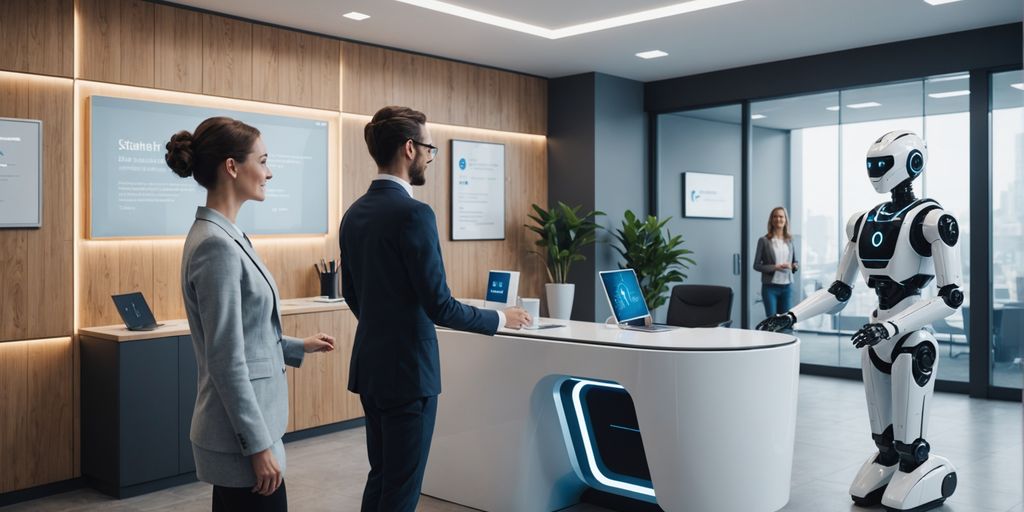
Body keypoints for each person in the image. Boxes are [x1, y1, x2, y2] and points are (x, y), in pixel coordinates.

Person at [339, 106, 532, 512]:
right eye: (428, 148)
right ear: (409, 149)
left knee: (382, 475)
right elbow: (440, 306)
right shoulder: (415, 214)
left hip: (371, 368)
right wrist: (502, 318)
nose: (430, 157)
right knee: (403, 489)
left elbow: (353, 295)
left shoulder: (354, 213)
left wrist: (386, 325)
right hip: (409, 373)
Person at [167, 116, 336, 512]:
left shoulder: (227, 235)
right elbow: (225, 359)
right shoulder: (216, 246)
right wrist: (258, 447)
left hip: (240, 432)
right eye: (262, 160)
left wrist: (297, 346)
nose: (269, 172)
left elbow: (243, 335)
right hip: (241, 439)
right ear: (232, 167)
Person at [753, 206, 799, 318]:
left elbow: (795, 263)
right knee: (772, 322)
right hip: (770, 288)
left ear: (785, 220)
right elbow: (756, 265)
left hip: (787, 287)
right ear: (771, 220)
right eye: (775, 216)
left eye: (781, 216)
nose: (778, 219)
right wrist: (775, 267)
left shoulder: (790, 240)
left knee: (786, 321)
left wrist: (792, 266)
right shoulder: (764, 241)